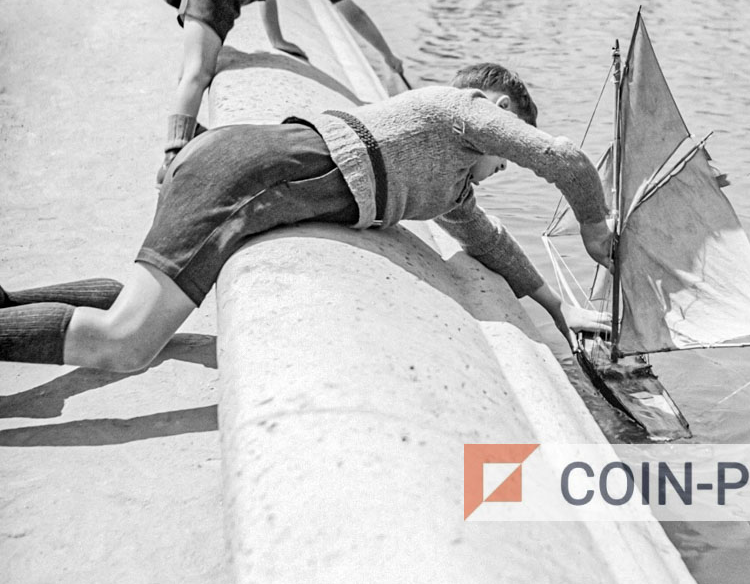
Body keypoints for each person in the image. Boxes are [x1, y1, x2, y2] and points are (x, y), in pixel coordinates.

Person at [0, 65, 614, 370]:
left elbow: (491, 242)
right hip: (251, 175)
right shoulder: (463, 111)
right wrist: (594, 225)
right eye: (510, 144)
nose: (507, 162)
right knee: (126, 345)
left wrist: (562, 311)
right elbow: (563, 157)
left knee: (126, 304)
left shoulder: (449, 187)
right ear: (501, 108)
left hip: (248, 164)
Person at [158, 0, 405, 183]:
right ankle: (172, 161)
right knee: (199, 71)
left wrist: (276, 39)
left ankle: (187, 127)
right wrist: (387, 56)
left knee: (193, 64)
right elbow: (352, 13)